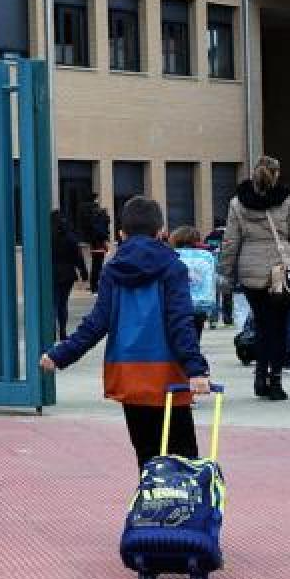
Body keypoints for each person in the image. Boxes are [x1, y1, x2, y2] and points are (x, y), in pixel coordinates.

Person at [39, 196, 210, 471]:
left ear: (121, 234)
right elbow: (180, 322)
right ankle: (182, 511)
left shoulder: (112, 270)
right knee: (183, 459)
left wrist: (60, 354)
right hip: (168, 376)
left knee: (147, 457)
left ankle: (152, 508)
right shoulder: (172, 267)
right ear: (160, 233)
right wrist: (196, 370)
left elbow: (96, 323)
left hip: (128, 374)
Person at [219, 156, 290, 401]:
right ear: (277, 174)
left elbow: (230, 242)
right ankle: (276, 382)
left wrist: (226, 274)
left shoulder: (237, 202)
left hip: (251, 272)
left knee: (261, 326)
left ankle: (259, 377)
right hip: (280, 273)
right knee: (279, 327)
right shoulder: (287, 200)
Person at [169, 226, 215, 344]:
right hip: (201, 304)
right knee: (196, 337)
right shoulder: (207, 256)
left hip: (178, 304)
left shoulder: (171, 255)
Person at [51, 211, 89, 341]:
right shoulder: (71, 237)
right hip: (67, 274)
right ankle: (62, 331)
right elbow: (78, 257)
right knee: (63, 303)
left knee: (54, 303)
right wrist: (84, 273)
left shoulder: (48, 237)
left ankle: (51, 332)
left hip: (52, 273)